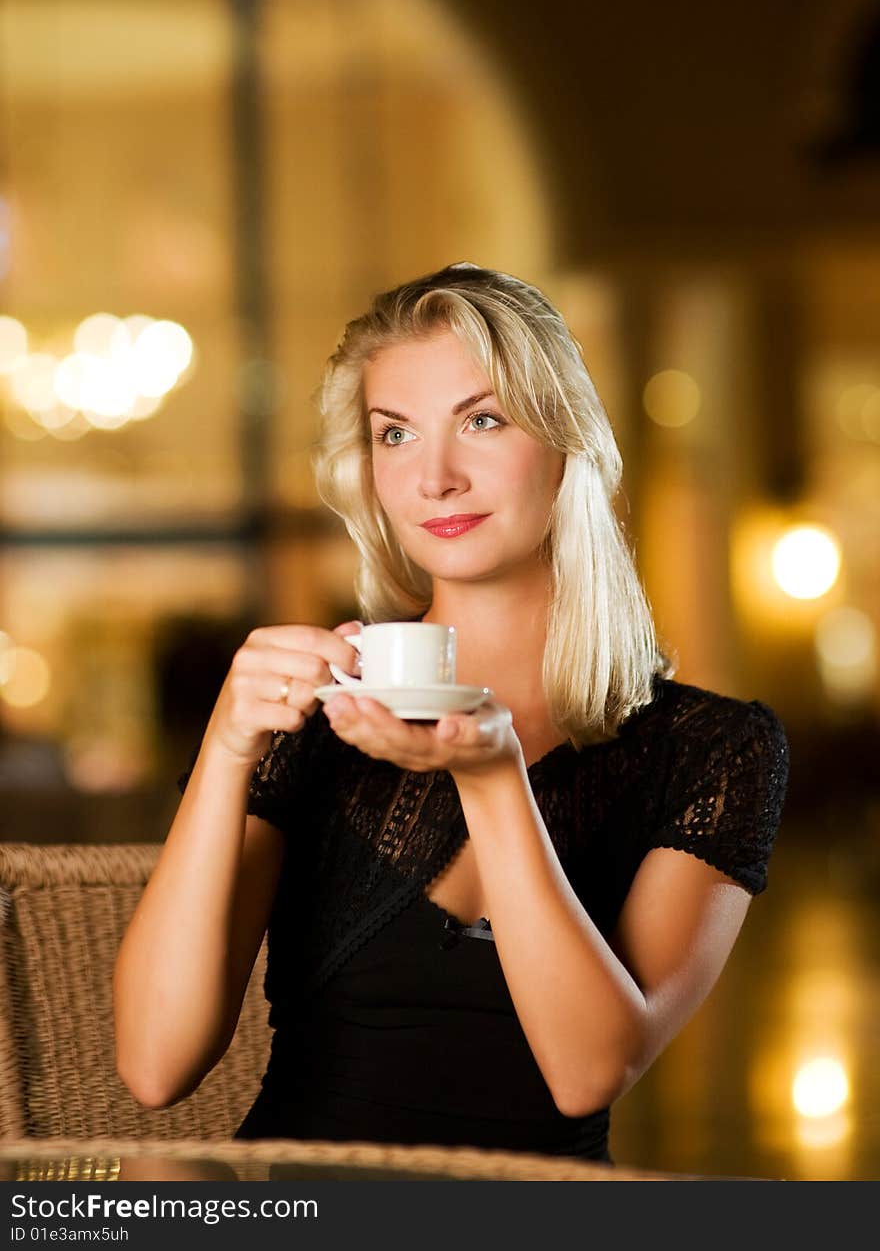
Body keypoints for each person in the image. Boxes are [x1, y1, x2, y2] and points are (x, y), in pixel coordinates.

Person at [113, 262, 789, 1165]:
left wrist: (492, 776)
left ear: (567, 442)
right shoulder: (311, 720)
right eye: (395, 435)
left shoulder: (714, 749)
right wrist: (227, 747)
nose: (434, 477)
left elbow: (587, 1073)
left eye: (483, 420)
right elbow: (156, 1068)